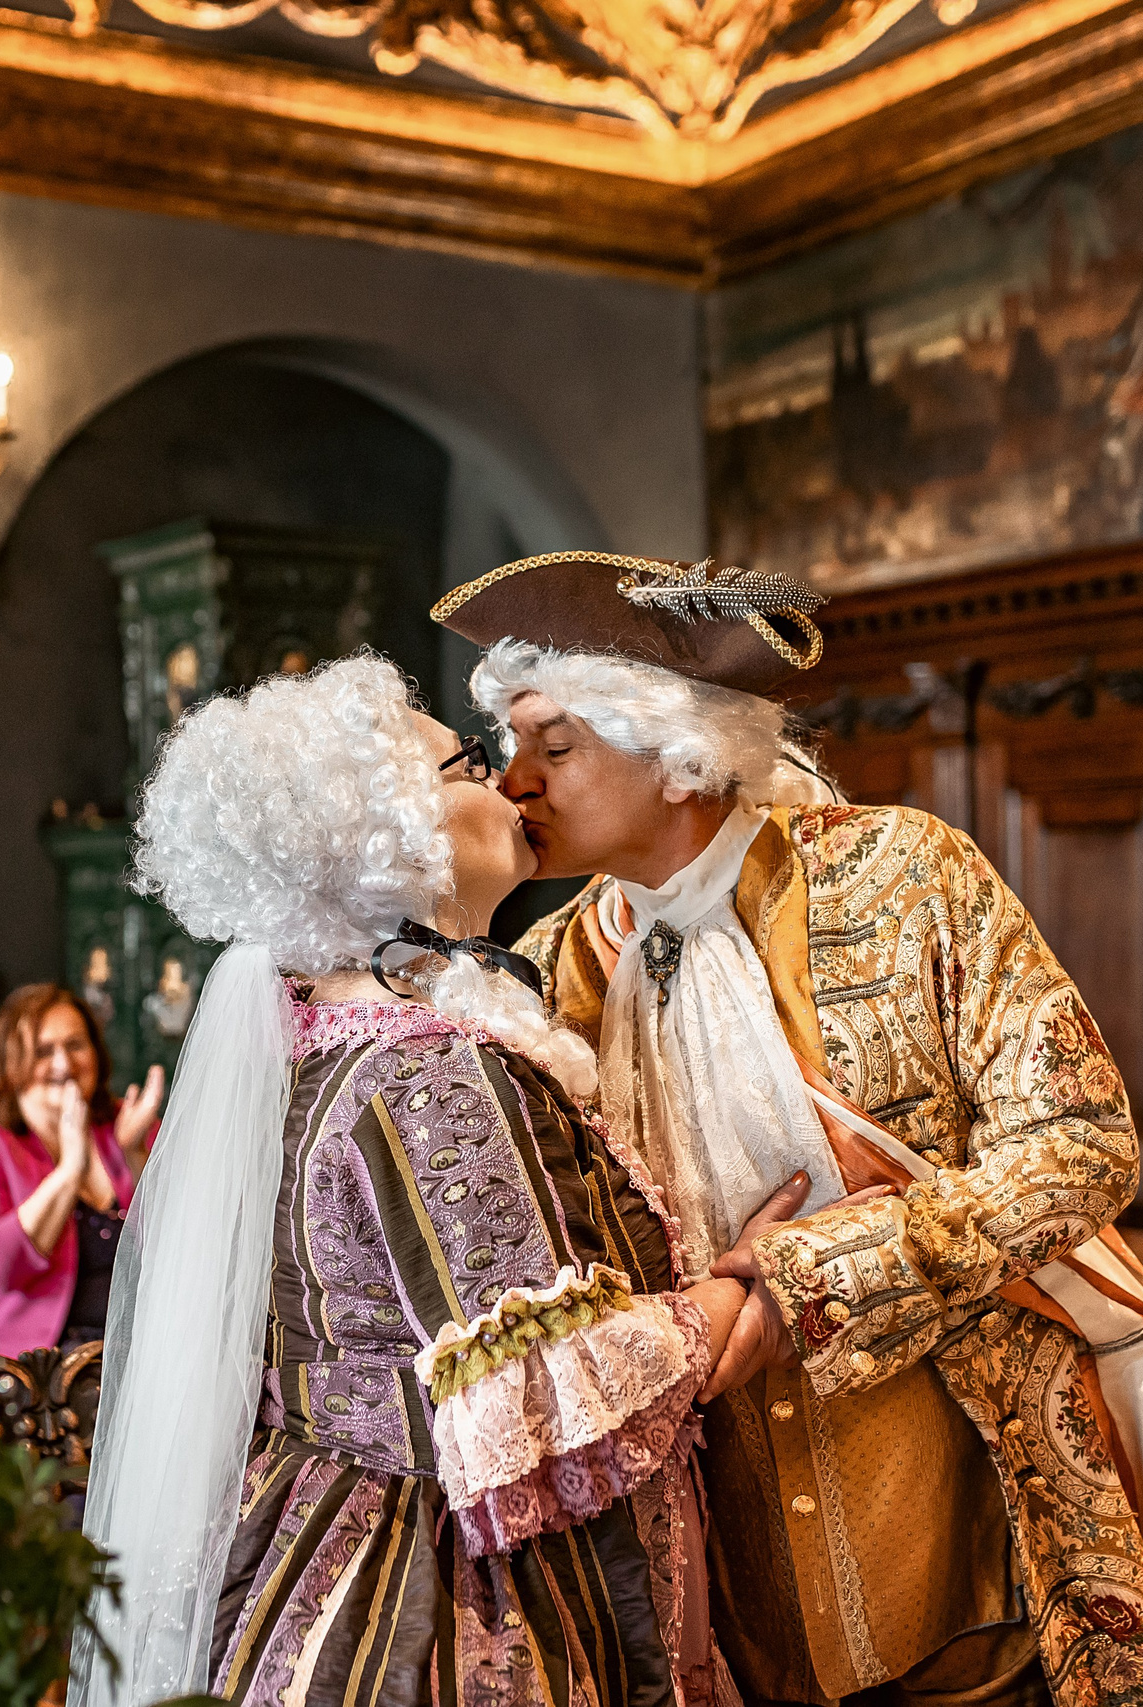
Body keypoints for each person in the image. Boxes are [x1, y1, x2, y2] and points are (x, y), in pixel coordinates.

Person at [436, 551, 1143, 1707]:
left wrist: (811, 1274)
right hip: (728, 1580)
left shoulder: (905, 874)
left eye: (554, 746)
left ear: (677, 755)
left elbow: (1082, 1142)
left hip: (962, 1541)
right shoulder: (565, 961)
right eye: (511, 748)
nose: (515, 782)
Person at [72, 653, 751, 1707]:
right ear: (387, 827)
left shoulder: (315, 1041)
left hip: (312, 1527)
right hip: (435, 1580)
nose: (508, 782)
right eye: (467, 763)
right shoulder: (428, 1066)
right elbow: (542, 1392)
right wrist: (740, 1294)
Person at [0, 985, 163, 1357]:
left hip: (141, 1354)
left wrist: (134, 1153)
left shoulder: (129, 1125)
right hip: (31, 1373)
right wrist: (69, 1171)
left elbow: (180, 1243)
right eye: (44, 1051)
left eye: (76, 1045)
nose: (64, 1064)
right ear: (10, 1061)